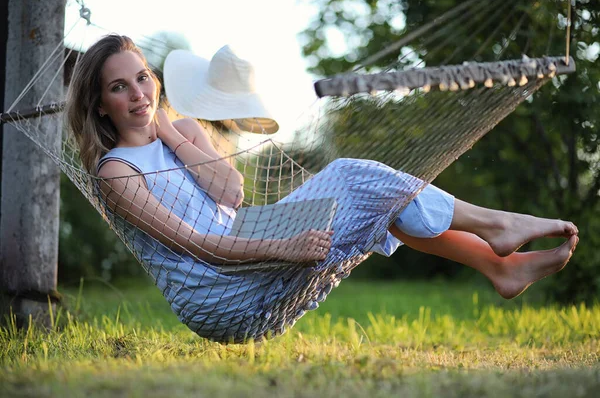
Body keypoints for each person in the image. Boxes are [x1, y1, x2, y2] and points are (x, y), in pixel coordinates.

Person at [66, 34, 579, 343]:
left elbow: (231, 195)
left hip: (249, 251)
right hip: (221, 297)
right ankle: (497, 233)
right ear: (99, 104)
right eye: (119, 87)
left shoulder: (183, 131)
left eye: (142, 79)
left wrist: (171, 134)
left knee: (365, 189)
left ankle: (498, 263)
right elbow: (197, 246)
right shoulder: (116, 173)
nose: (138, 94)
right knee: (354, 178)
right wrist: (282, 248)